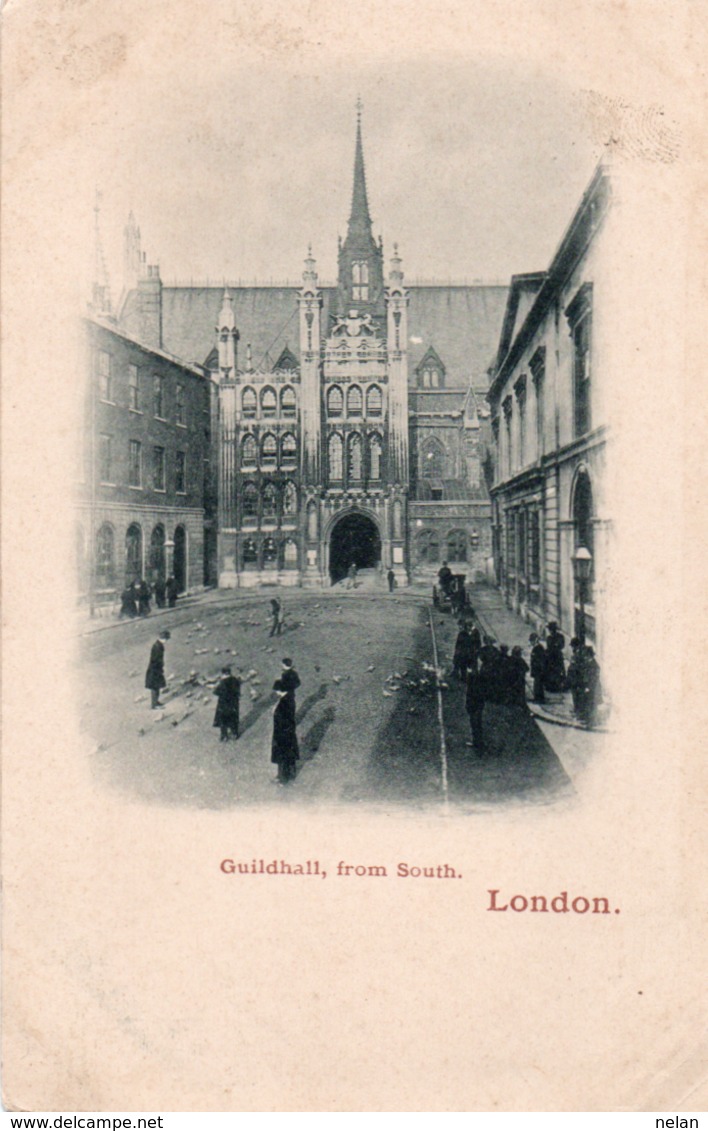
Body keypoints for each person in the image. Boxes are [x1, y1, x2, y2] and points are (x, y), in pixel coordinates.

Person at [271, 658, 301, 784]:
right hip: (290, 733)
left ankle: (282, 778)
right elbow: (297, 683)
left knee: (282, 755)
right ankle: (292, 773)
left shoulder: (281, 704)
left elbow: (278, 720)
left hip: (281, 735)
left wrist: (274, 710)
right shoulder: (290, 699)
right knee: (290, 751)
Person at [213, 665, 242, 741]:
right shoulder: (235, 680)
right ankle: (235, 734)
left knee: (223, 720)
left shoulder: (223, 682)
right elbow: (238, 690)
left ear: (224, 674)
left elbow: (216, 692)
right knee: (233, 719)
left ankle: (224, 735)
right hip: (234, 703)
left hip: (224, 704)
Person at [576, 645, 602, 728]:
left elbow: (594, 678)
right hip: (588, 687)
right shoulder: (588, 663)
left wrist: (589, 687)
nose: (585, 657)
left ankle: (592, 722)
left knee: (592, 705)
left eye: (586, 656)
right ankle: (587, 720)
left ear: (590, 655)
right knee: (587, 703)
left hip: (594, 688)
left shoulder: (595, 665)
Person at [145, 629, 171, 709]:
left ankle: (156, 702)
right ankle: (154, 705)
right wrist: (159, 669)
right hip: (155, 670)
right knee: (155, 687)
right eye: (166, 639)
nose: (166, 641)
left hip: (155, 669)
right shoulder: (158, 647)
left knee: (157, 686)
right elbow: (155, 660)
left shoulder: (158, 645)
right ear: (164, 638)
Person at [465, 660, 486, 751]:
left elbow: (469, 692)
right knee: (477, 722)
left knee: (474, 722)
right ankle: (478, 741)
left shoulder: (472, 678)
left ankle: (477, 742)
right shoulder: (480, 677)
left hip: (474, 702)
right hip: (479, 702)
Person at [544, 622, 566, 692]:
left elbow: (561, 645)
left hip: (556, 656)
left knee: (557, 671)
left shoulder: (559, 637)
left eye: (550, 629)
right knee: (552, 671)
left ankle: (557, 686)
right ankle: (552, 686)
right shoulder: (550, 637)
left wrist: (554, 647)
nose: (550, 631)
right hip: (552, 656)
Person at [529, 633, 547, 703]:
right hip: (537, 669)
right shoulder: (537, 648)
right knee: (536, 684)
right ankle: (537, 698)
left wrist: (540, 669)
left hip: (539, 670)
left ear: (535, 640)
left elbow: (541, 660)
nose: (531, 643)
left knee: (538, 684)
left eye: (532, 641)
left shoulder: (538, 648)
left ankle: (539, 699)